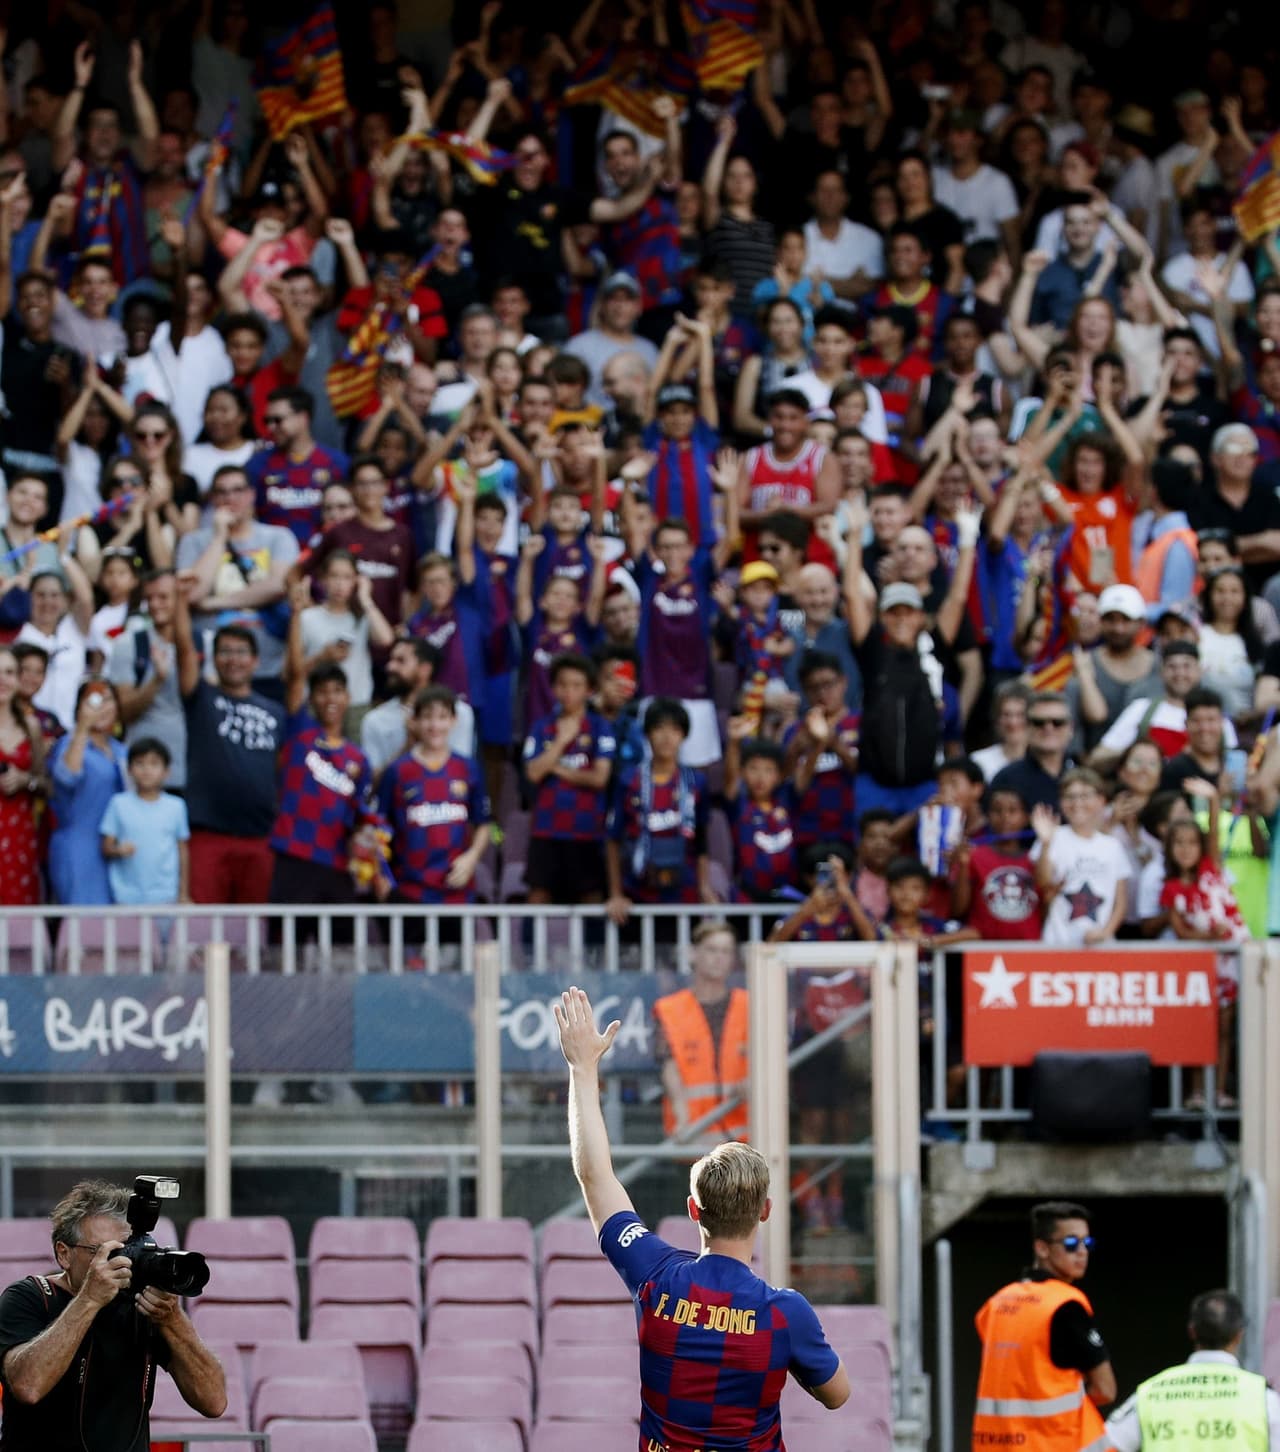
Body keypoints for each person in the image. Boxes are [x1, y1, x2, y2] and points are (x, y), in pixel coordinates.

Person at [554, 984, 850, 1452]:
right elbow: (837, 1395)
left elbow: (595, 1177)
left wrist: (582, 1068)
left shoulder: (655, 1274)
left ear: (693, 1209)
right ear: (765, 1211)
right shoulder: (786, 1313)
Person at [0, 1178, 226, 1448]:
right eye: (105, 1252)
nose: (121, 1262)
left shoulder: (141, 1304)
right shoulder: (29, 1297)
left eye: (127, 1250)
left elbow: (214, 1402)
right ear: (64, 1254)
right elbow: (28, 1387)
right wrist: (89, 1300)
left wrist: (172, 1319)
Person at [972, 1200, 1116, 1452]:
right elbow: (1106, 1389)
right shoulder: (1066, 1304)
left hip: (996, 1444)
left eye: (1087, 1243)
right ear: (1042, 1248)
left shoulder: (997, 1303)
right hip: (1053, 1443)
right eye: (1071, 1243)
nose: (1082, 1252)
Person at [1106, 1290, 1280, 1452]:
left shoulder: (1150, 1393)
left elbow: (1101, 1446)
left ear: (1192, 1331)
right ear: (1239, 1335)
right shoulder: (1263, 1398)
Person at [653, 921, 748, 1142]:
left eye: (726, 951)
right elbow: (669, 1065)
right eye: (712, 950)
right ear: (693, 954)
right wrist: (681, 1115)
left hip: (744, 1137)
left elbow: (766, 1058)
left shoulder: (750, 1006)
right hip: (694, 1135)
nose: (719, 958)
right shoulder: (670, 1009)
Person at [99, 738, 190, 906]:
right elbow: (106, 847)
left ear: (166, 771)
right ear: (129, 770)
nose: (147, 770)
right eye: (139, 763)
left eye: (154, 764)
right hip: (126, 897)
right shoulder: (118, 803)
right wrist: (118, 850)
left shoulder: (176, 806)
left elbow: (182, 851)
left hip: (166, 896)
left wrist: (183, 893)